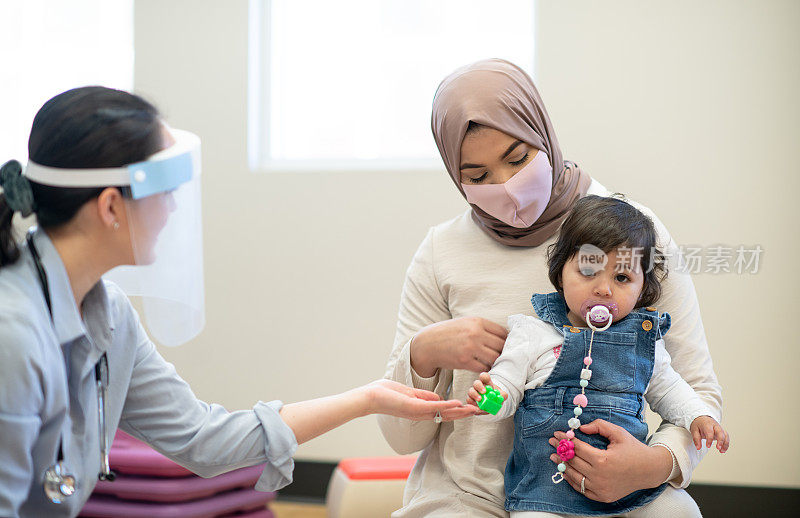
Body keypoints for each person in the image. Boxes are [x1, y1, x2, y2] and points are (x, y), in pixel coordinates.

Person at [0, 86, 473, 518]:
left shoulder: (109, 315)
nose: (172, 209)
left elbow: (202, 439)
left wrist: (366, 399)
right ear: (109, 208)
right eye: (165, 192)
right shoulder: (13, 335)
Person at [379, 59, 723, 517]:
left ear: (542, 133)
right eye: (478, 177)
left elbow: (694, 389)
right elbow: (403, 439)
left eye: (519, 159)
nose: (507, 188)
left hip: (617, 495)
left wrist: (654, 465)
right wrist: (423, 355)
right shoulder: (442, 250)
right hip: (468, 497)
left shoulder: (633, 232)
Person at [466, 195, 729, 517]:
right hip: (546, 490)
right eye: (589, 271)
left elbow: (670, 389)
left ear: (643, 288)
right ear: (560, 272)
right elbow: (507, 380)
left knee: (681, 510)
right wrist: (491, 397)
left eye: (622, 278)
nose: (604, 289)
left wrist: (699, 416)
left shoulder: (644, 343)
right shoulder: (534, 333)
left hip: (630, 489)